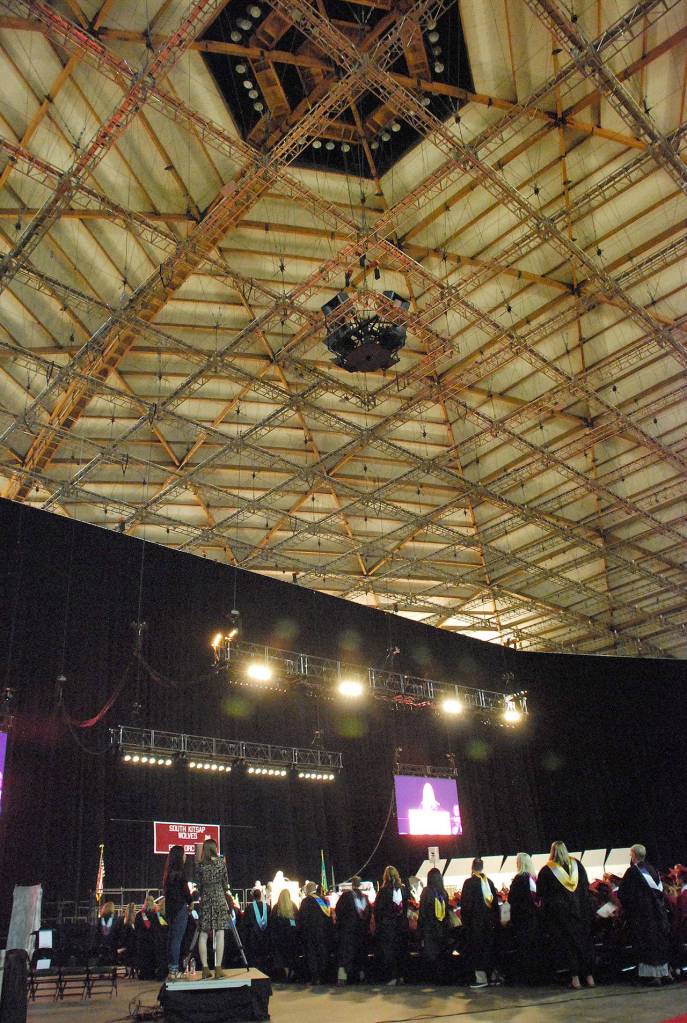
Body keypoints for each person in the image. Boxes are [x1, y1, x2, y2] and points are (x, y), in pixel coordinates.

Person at [537, 841, 594, 989]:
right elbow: (585, 886)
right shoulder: (577, 866)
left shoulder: (547, 870)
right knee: (584, 943)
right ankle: (589, 977)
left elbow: (541, 894)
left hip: (561, 915)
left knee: (569, 945)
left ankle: (575, 979)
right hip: (581, 912)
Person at [617, 844, 671, 986]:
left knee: (647, 944)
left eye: (630, 855)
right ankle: (664, 973)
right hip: (658, 913)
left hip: (643, 915)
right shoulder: (653, 869)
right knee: (658, 943)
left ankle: (654, 977)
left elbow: (622, 893)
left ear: (634, 855)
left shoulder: (633, 871)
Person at [461, 857, 501, 988]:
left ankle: (481, 979)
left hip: (475, 924)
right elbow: (495, 905)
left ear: (472, 868)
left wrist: (466, 923)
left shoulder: (469, 883)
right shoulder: (489, 882)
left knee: (478, 950)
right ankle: (494, 977)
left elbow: (466, 907)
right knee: (489, 948)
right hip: (489, 923)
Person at [194, 838, 230, 980]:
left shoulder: (200, 866)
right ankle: (218, 968)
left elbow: (198, 885)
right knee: (220, 932)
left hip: (206, 899)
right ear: (215, 848)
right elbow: (225, 883)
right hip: (219, 898)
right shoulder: (221, 863)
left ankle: (204, 968)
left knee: (203, 934)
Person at [508, 852, 542, 984]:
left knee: (525, 948)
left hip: (522, 919)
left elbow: (511, 899)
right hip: (534, 918)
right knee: (535, 946)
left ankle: (528, 977)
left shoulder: (519, 879)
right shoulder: (534, 878)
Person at [373, 866, 408, 986]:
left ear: (385, 876)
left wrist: (379, 924)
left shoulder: (383, 891)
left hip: (388, 927)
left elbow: (377, 910)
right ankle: (402, 976)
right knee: (401, 951)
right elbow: (406, 908)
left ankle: (392, 977)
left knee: (390, 952)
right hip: (401, 925)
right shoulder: (403, 889)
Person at [163, 845, 193, 980]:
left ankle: (172, 969)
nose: (186, 856)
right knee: (177, 940)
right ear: (180, 857)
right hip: (180, 908)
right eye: (184, 854)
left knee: (172, 940)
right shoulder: (180, 874)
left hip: (170, 910)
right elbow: (186, 892)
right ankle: (175, 970)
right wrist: (191, 901)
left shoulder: (168, 874)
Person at [418, 867, 451, 983]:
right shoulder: (444, 892)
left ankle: (432, 979)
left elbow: (422, 912)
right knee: (441, 954)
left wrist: (419, 931)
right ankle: (443, 978)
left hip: (429, 929)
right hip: (442, 928)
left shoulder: (426, 891)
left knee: (431, 955)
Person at [335, 876, 370, 985]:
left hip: (348, 931)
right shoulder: (365, 898)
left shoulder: (346, 896)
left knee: (345, 955)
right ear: (360, 885)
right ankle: (361, 977)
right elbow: (368, 915)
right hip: (361, 931)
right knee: (360, 955)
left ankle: (342, 979)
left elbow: (338, 910)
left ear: (352, 884)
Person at [297, 881, 333, 984]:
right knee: (322, 954)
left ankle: (314, 978)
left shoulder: (306, 901)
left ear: (307, 889)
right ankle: (323, 977)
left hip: (310, 933)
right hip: (322, 933)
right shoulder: (324, 900)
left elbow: (302, 919)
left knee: (312, 955)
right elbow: (328, 917)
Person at [270, 888, 299, 982]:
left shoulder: (276, 907)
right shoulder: (293, 906)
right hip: (292, 938)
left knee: (282, 958)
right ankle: (292, 973)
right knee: (291, 956)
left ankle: (285, 974)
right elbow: (298, 921)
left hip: (280, 938)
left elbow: (272, 923)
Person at [242, 887, 271, 973]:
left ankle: (255, 971)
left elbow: (245, 923)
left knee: (254, 956)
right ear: (261, 896)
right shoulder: (268, 907)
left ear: (253, 897)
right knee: (264, 955)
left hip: (253, 936)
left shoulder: (249, 908)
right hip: (265, 935)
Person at [135, 896, 160, 980]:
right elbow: (161, 926)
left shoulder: (139, 914)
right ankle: (151, 974)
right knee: (151, 957)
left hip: (142, 940)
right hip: (152, 939)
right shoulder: (156, 914)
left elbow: (136, 927)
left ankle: (143, 974)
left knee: (143, 957)